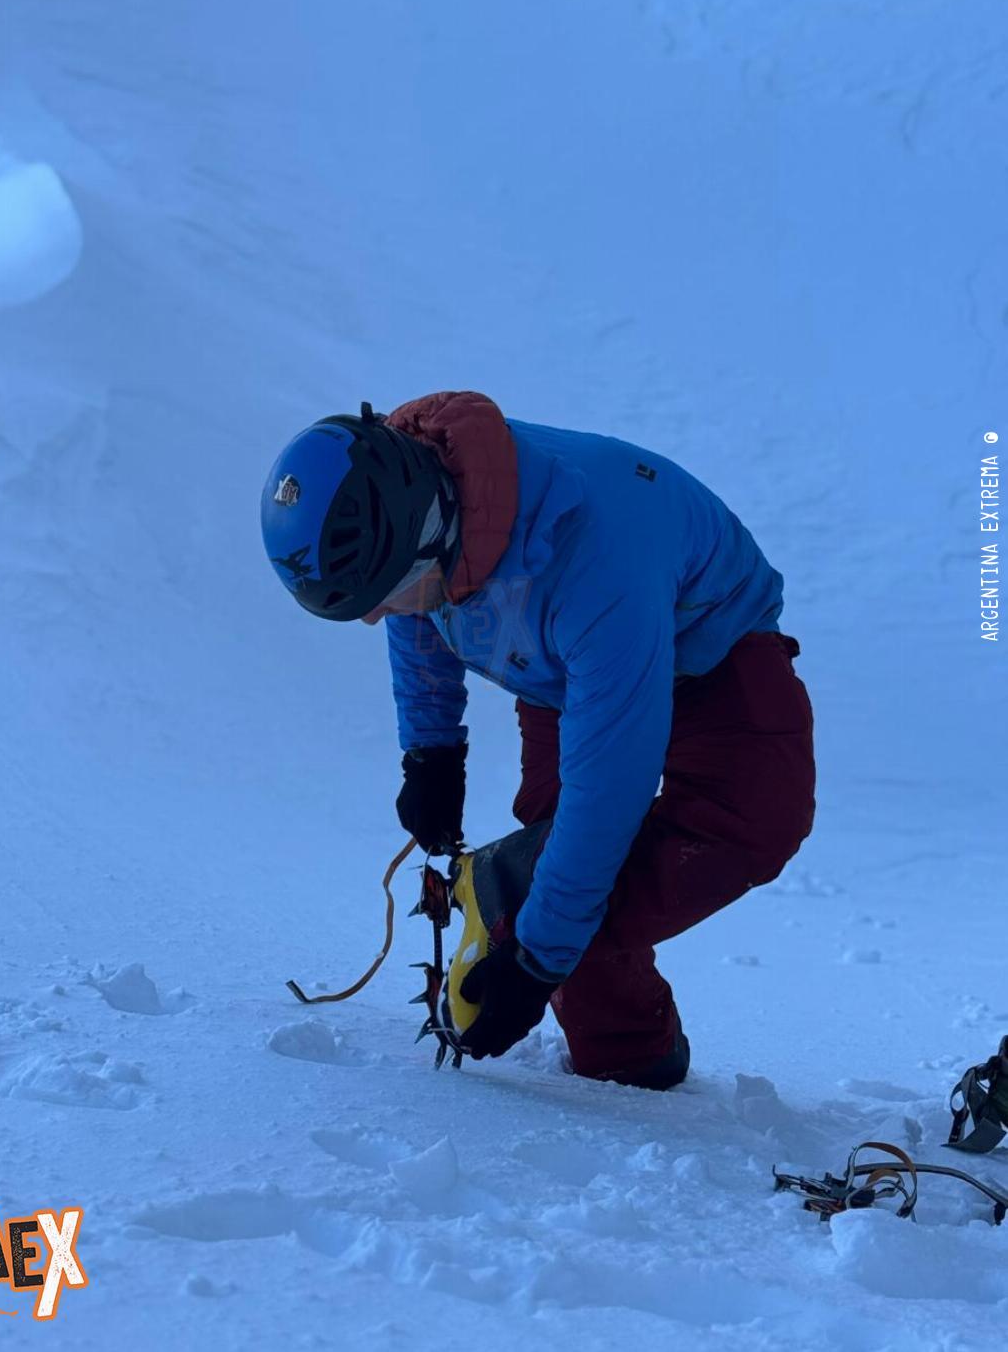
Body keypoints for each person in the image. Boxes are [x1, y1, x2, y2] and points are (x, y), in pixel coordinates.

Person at [261, 390, 816, 1089]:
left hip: (710, 647)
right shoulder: (413, 494)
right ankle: (626, 1057)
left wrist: (533, 959)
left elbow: (603, 800)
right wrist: (431, 750)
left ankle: (510, 900)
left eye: (383, 597)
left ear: (430, 538)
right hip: (554, 664)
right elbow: (415, 604)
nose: (380, 621)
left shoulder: (595, 562)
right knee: (563, 864)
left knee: (748, 824)